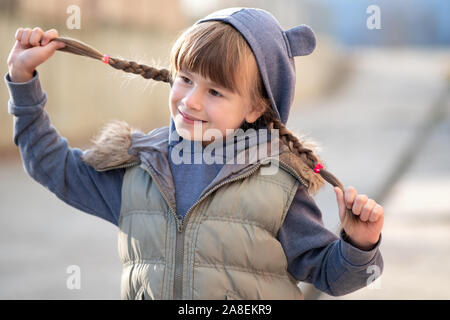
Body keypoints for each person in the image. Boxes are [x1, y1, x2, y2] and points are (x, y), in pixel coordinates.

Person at [5, 7, 384, 300]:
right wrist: (23, 85)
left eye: (215, 92)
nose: (191, 101)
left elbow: (332, 276)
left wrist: (358, 245)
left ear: (255, 108)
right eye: (185, 79)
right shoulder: (140, 165)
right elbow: (53, 166)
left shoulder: (278, 183)